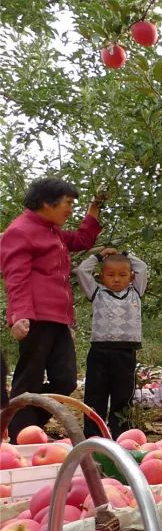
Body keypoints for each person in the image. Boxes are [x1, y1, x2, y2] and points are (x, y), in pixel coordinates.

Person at [1, 178, 105, 438]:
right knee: (29, 379)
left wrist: (93, 210)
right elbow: (16, 276)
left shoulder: (52, 231)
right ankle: (20, 434)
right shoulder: (20, 231)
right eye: (68, 203)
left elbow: (82, 240)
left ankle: (22, 425)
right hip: (35, 316)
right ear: (48, 202)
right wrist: (20, 315)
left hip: (58, 318)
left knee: (66, 379)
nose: (70, 210)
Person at [75, 248, 148, 438]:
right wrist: (99, 256)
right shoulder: (97, 292)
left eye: (123, 275)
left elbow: (142, 267)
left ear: (131, 277)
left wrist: (125, 253)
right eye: (111, 275)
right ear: (101, 277)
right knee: (95, 395)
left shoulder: (136, 291)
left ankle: (121, 437)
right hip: (100, 351)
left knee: (123, 397)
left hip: (125, 353)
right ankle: (93, 436)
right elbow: (82, 270)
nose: (116, 279)